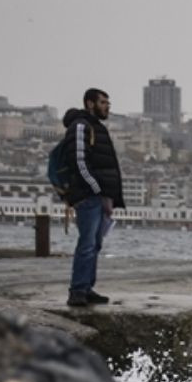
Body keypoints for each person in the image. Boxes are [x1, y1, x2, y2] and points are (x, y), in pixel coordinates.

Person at [62, 88, 124, 307]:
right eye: (103, 102)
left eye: (108, 102)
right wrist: (97, 189)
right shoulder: (81, 126)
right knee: (87, 244)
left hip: (99, 196)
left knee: (95, 244)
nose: (107, 106)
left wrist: (108, 196)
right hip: (88, 196)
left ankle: (87, 288)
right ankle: (78, 290)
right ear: (90, 104)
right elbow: (79, 161)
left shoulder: (97, 128)